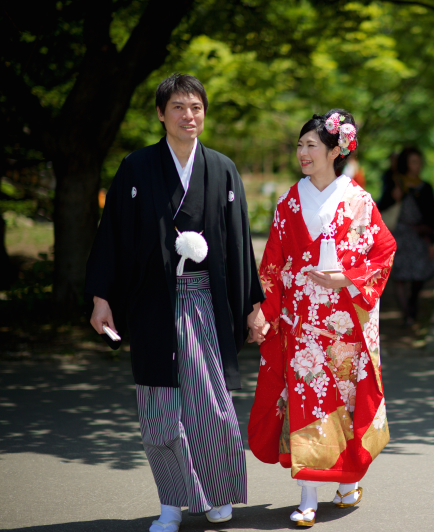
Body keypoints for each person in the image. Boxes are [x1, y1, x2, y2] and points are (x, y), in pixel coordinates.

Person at [85, 74, 267, 532]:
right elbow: (113, 237)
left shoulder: (222, 168)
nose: (190, 116)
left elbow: (239, 243)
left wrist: (252, 306)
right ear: (162, 114)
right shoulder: (137, 167)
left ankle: (219, 494)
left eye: (197, 108)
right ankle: (171, 502)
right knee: (159, 408)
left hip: (205, 300)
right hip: (152, 305)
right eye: (180, 108)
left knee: (214, 406)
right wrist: (102, 297)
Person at [247, 109, 396, 527]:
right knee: (308, 401)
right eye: (299, 145)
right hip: (302, 321)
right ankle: (308, 494)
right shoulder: (289, 201)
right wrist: (265, 311)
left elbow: (382, 252)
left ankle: (346, 483)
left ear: (335, 150)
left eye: (311, 145)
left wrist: (347, 277)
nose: (302, 153)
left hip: (345, 318)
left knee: (345, 405)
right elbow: (273, 264)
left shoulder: (358, 199)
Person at [377, 147, 434, 326]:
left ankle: (412, 307)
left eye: (418, 162)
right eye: (413, 162)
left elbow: (432, 216)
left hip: (419, 237)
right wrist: (393, 196)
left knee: (419, 273)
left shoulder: (426, 187)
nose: (416, 166)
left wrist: (431, 241)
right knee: (401, 276)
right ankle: (408, 314)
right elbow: (382, 206)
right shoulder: (395, 183)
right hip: (399, 236)